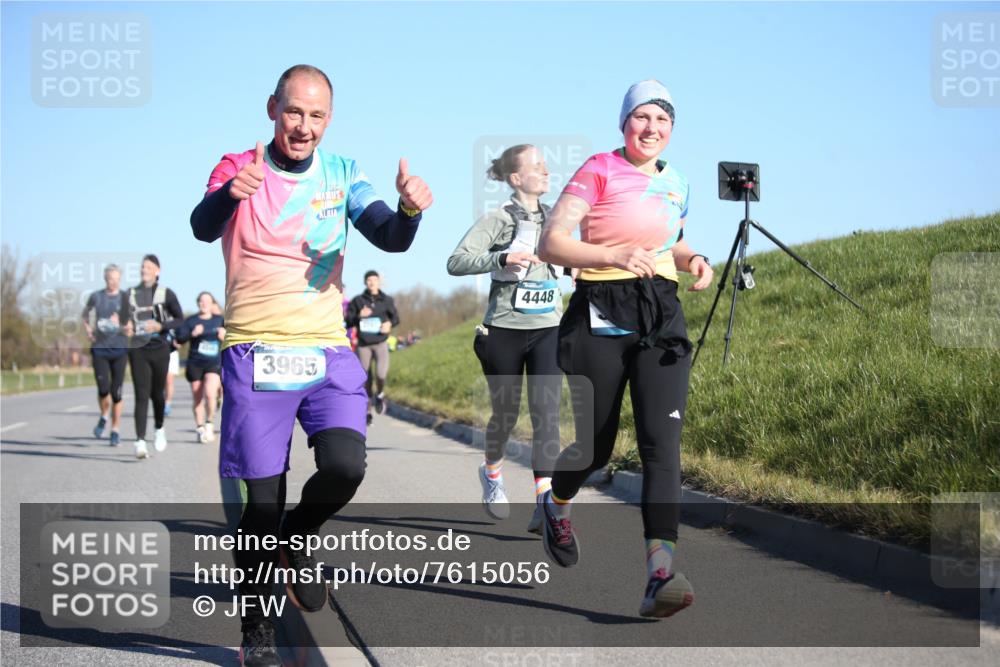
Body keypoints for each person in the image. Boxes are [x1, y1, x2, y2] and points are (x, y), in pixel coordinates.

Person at [190, 64, 432, 667]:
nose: (304, 126)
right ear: (272, 108)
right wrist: (230, 194)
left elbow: (388, 235)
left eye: (316, 115)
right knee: (261, 507)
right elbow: (201, 226)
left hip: (325, 349)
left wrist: (408, 211)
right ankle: (257, 634)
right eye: (294, 111)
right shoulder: (237, 165)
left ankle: (297, 540)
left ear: (329, 119)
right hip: (255, 351)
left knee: (346, 466)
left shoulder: (343, 173)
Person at [536, 80, 714, 619]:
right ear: (624, 122)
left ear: (672, 129)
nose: (651, 128)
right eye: (642, 117)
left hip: (659, 311)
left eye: (662, 120)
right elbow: (551, 242)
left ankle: (660, 574)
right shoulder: (599, 168)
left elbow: (671, 241)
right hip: (601, 307)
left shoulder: (678, 181)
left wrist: (693, 259)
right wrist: (612, 254)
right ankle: (556, 504)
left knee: (663, 444)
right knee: (596, 446)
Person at [447, 144, 563, 532]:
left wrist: (574, 268)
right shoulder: (496, 219)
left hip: (548, 327)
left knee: (546, 414)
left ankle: (544, 502)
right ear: (516, 178)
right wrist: (501, 258)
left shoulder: (557, 218)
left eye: (546, 165)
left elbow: (571, 260)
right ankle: (492, 472)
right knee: (506, 414)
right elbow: (456, 261)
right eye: (537, 166)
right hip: (503, 329)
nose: (545, 171)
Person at [121, 254, 185, 459]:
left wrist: (161, 325)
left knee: (157, 393)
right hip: (138, 348)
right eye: (142, 267)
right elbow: (124, 320)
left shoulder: (166, 294)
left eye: (148, 267)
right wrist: (126, 327)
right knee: (141, 394)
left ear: (157, 271)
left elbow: (180, 319)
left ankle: (159, 428)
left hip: (160, 348)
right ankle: (140, 441)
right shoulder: (130, 294)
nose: (144, 270)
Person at [81, 264, 128, 447]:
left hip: (119, 349)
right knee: (103, 390)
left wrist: (121, 323)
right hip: (100, 349)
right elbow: (85, 315)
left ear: (120, 279)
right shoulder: (96, 296)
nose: (113, 282)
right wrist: (88, 330)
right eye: (110, 279)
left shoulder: (125, 298)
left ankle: (115, 430)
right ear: (105, 278)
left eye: (116, 279)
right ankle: (104, 415)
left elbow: (131, 326)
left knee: (116, 393)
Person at [345, 271, 399, 425]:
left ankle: (380, 394)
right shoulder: (358, 300)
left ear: (378, 282)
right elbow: (348, 321)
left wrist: (389, 324)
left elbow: (396, 318)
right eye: (369, 280)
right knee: (365, 379)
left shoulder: (387, 300)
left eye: (374, 279)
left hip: (381, 343)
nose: (372, 282)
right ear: (365, 282)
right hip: (364, 345)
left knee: (381, 374)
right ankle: (368, 411)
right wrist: (359, 316)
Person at [175, 291, 225, 443]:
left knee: (210, 394)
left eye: (207, 301)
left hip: (213, 363)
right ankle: (199, 427)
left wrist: (224, 335)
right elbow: (180, 339)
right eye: (201, 301)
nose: (204, 304)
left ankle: (209, 423)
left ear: (212, 303)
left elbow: (231, 337)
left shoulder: (219, 320)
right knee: (197, 398)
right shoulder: (191, 321)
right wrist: (192, 333)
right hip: (195, 363)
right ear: (198, 303)